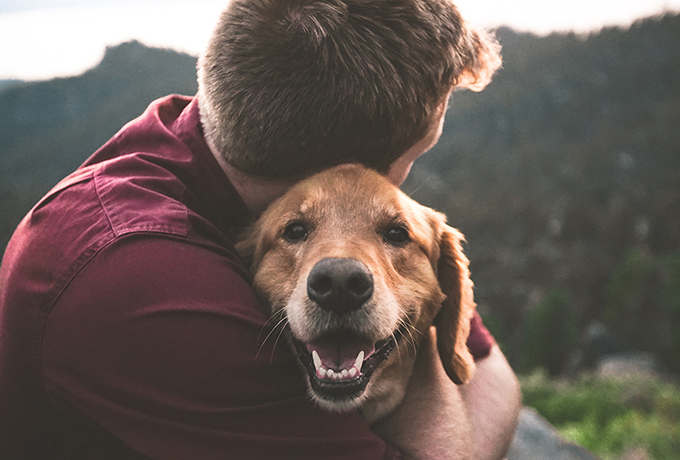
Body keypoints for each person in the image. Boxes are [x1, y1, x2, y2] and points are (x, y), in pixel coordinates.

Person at [0, 0, 521, 458]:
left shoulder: (205, 139)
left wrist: (416, 325)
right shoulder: (140, 279)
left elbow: (492, 371)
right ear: (349, 166)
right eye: (416, 154)